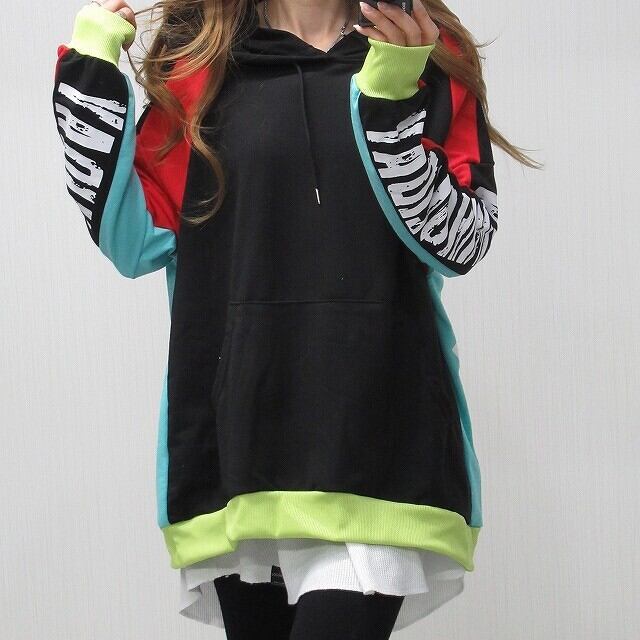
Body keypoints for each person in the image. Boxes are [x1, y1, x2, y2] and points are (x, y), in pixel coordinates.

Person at [51, 0, 532, 636]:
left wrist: (390, 98)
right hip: (239, 447)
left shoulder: (424, 53)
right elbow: (134, 239)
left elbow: (460, 242)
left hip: (378, 444)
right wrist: (89, 76)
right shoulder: (200, 61)